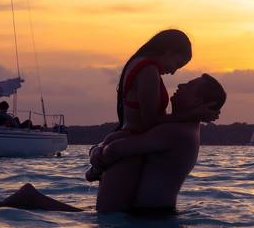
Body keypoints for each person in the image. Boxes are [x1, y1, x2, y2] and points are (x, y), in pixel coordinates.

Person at [0, 73, 227, 214]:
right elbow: (120, 141)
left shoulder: (177, 132)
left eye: (189, 85)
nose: (181, 86)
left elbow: (120, 148)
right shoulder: (175, 126)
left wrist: (96, 164)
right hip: (145, 217)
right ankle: (31, 199)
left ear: (199, 100)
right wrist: (98, 155)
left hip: (150, 219)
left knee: (88, 221)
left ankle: (31, 199)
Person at [85, 29, 217, 181]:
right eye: (177, 64)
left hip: (126, 135)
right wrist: (193, 115)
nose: (173, 72)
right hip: (132, 143)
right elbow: (151, 121)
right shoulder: (148, 71)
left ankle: (96, 169)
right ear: (169, 51)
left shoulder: (137, 63)